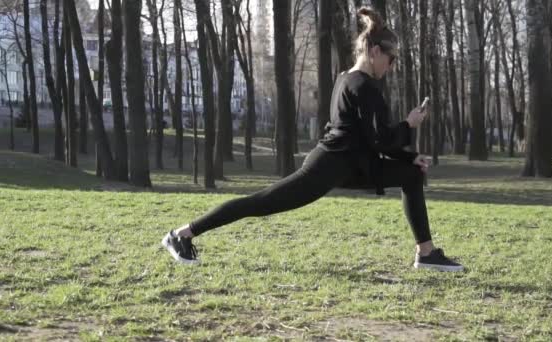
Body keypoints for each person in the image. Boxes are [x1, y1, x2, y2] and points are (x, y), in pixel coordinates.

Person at [161, 7, 464, 272]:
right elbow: (382, 138)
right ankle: (182, 234)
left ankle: (426, 253)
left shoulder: (348, 78)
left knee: (411, 175)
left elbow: (368, 138)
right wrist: (409, 125)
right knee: (260, 203)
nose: (392, 65)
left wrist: (409, 158)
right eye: (391, 58)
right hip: (328, 166)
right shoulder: (363, 86)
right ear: (374, 52)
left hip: (353, 166)